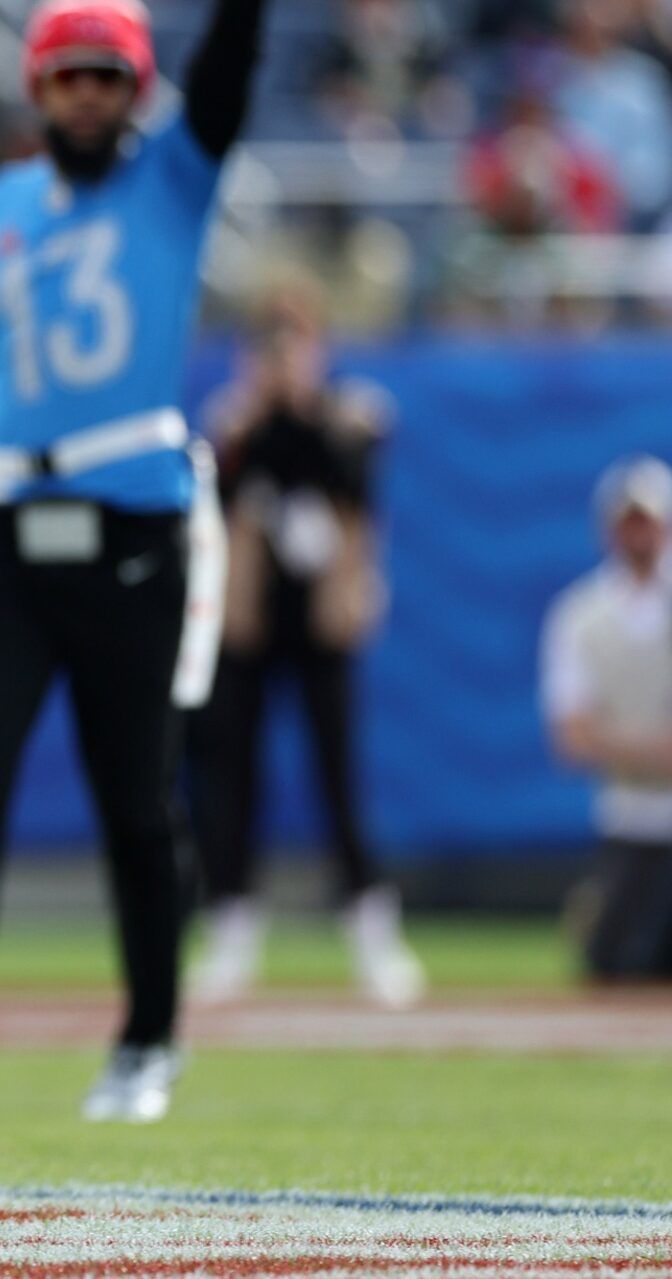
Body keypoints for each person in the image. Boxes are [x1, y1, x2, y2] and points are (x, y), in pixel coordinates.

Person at [0, 0, 271, 1124]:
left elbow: (228, 73)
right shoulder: (0, 208)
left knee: (135, 800)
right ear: (37, 88)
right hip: (3, 543)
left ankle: (147, 1040)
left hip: (131, 536)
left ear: (137, 90)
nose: (86, 94)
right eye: (68, 75)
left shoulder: (175, 178)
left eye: (106, 76)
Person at [182, 282, 426, 1008]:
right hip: (251, 621)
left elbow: (358, 490)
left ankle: (371, 932)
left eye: (297, 345)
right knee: (231, 779)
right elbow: (219, 497)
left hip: (320, 624)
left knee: (337, 774)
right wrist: (254, 417)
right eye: (271, 347)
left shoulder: (347, 417)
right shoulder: (236, 423)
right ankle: (231, 931)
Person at [540, 456, 672, 980]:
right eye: (629, 521)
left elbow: (590, 733)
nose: (638, 534)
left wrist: (615, 741)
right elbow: (572, 738)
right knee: (615, 966)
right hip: (625, 823)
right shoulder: (580, 615)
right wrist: (657, 749)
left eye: (648, 521)